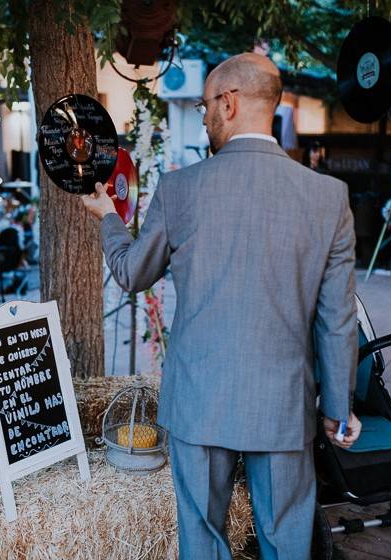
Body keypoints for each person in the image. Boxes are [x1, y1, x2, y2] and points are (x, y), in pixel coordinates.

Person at [82, 53, 361, 560]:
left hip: (200, 400)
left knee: (203, 541)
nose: (204, 116)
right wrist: (338, 408)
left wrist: (107, 215)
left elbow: (131, 273)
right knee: (285, 542)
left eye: (205, 105)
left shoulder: (181, 189)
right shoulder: (329, 198)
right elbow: (336, 319)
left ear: (228, 103)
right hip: (283, 404)